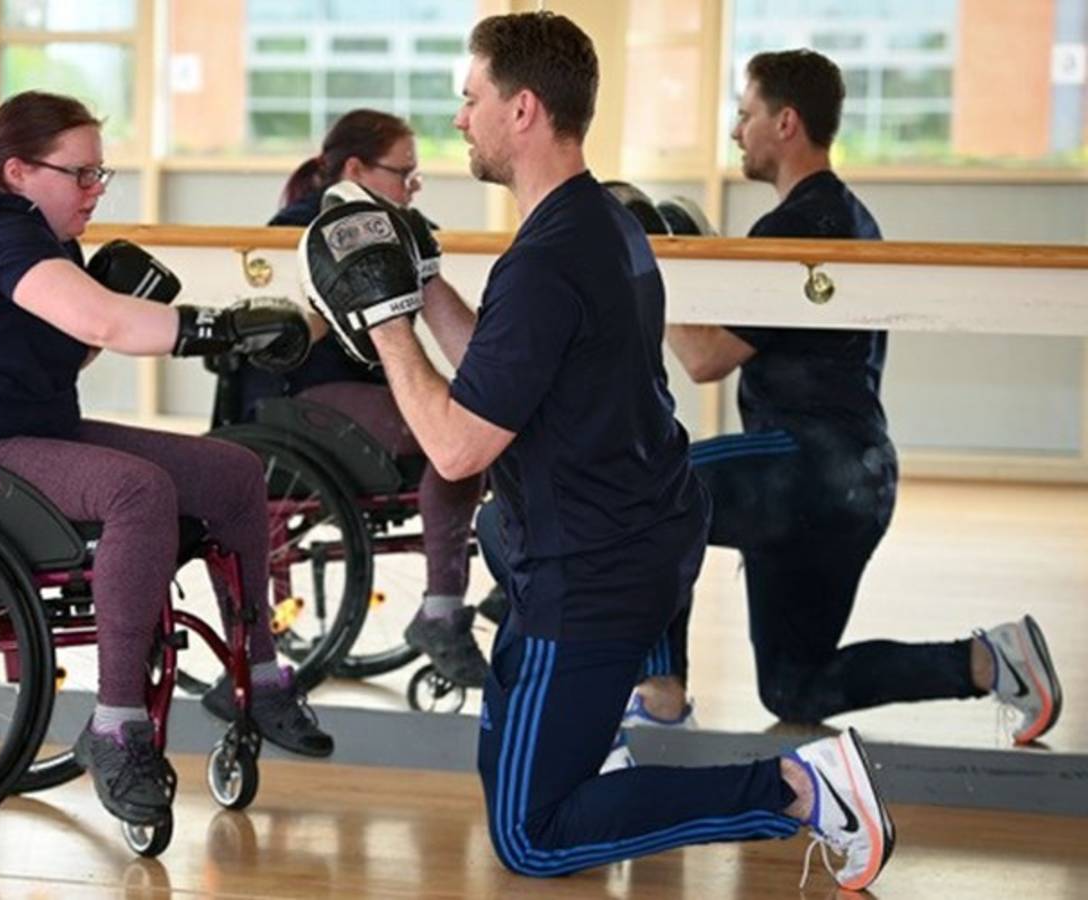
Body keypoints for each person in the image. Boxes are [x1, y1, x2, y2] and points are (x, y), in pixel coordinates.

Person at [299, 14, 893, 891]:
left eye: (471, 99)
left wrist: (387, 329)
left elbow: (458, 446)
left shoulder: (549, 259)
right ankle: (599, 745)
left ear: (524, 108)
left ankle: (804, 789)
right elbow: (505, 372)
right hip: (619, 534)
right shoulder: (593, 224)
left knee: (532, 835)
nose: (460, 119)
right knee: (513, 775)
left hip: (592, 565)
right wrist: (421, 283)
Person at [0, 90, 334, 830]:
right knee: (137, 491)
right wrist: (228, 329)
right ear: (19, 170)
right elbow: (105, 323)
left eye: (101, 175)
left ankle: (259, 671)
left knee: (234, 473)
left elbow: (75, 343)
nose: (95, 190)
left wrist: (148, 313)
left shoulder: (48, 242)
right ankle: (117, 724)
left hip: (28, 433)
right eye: (80, 174)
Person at [608, 48, 1061, 749]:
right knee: (796, 686)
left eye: (745, 114)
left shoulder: (796, 227)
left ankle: (660, 693)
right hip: (863, 481)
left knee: (650, 491)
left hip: (806, 466)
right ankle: (990, 661)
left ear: (785, 122)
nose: (736, 131)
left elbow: (702, 358)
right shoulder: (850, 216)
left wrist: (639, 255)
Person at [222, 108, 488, 685]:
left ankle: (457, 600)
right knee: (452, 427)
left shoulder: (399, 227)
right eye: (403, 174)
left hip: (361, 393)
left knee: (478, 431)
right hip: (295, 397)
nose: (411, 188)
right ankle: (444, 610)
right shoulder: (292, 231)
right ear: (355, 169)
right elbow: (284, 339)